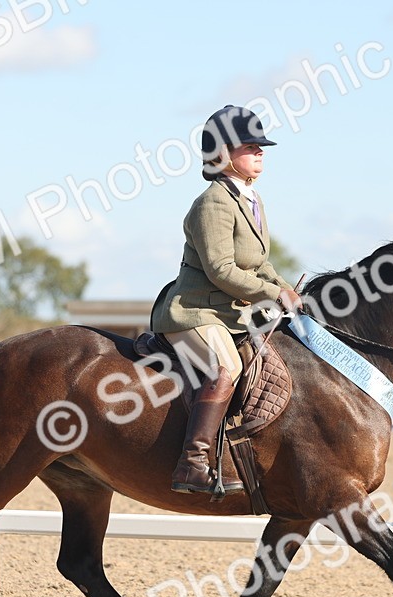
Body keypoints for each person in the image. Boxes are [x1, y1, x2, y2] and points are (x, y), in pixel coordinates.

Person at [151, 105, 303, 494]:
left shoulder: (252, 199)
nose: (260, 151)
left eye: (260, 145)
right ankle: (193, 461)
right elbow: (221, 270)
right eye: (249, 145)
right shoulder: (213, 203)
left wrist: (289, 290)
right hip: (194, 312)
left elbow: (260, 263)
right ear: (221, 154)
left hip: (228, 314)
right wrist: (273, 293)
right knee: (226, 367)